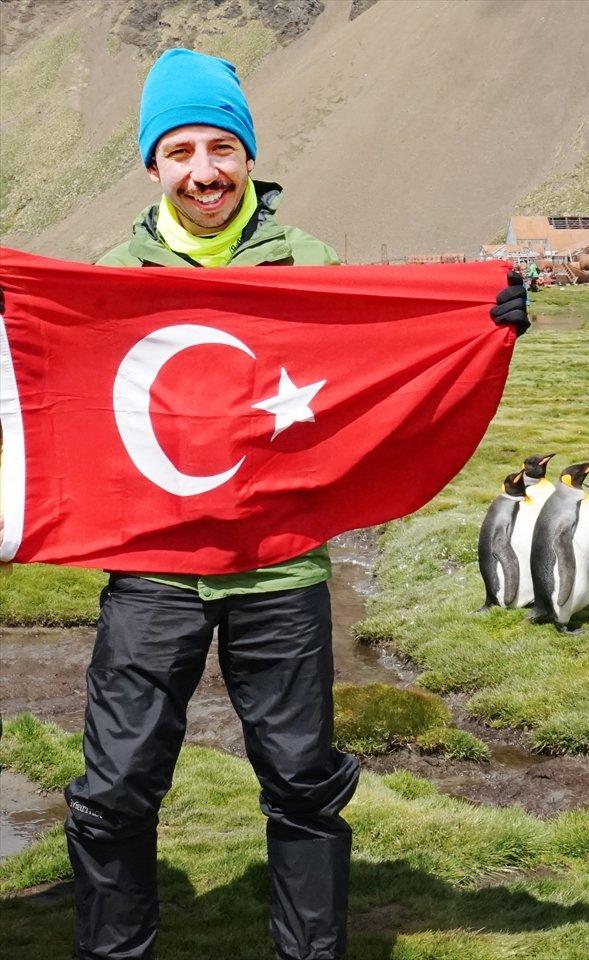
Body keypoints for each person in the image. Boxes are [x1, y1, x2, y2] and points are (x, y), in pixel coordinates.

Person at [65, 48, 527, 960]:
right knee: (116, 788)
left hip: (281, 570)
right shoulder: (112, 273)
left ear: (248, 154)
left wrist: (481, 319)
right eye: (182, 151)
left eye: (221, 148)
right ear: (153, 164)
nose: (204, 172)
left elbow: (383, 360)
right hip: (154, 570)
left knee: (304, 783)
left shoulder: (311, 262)